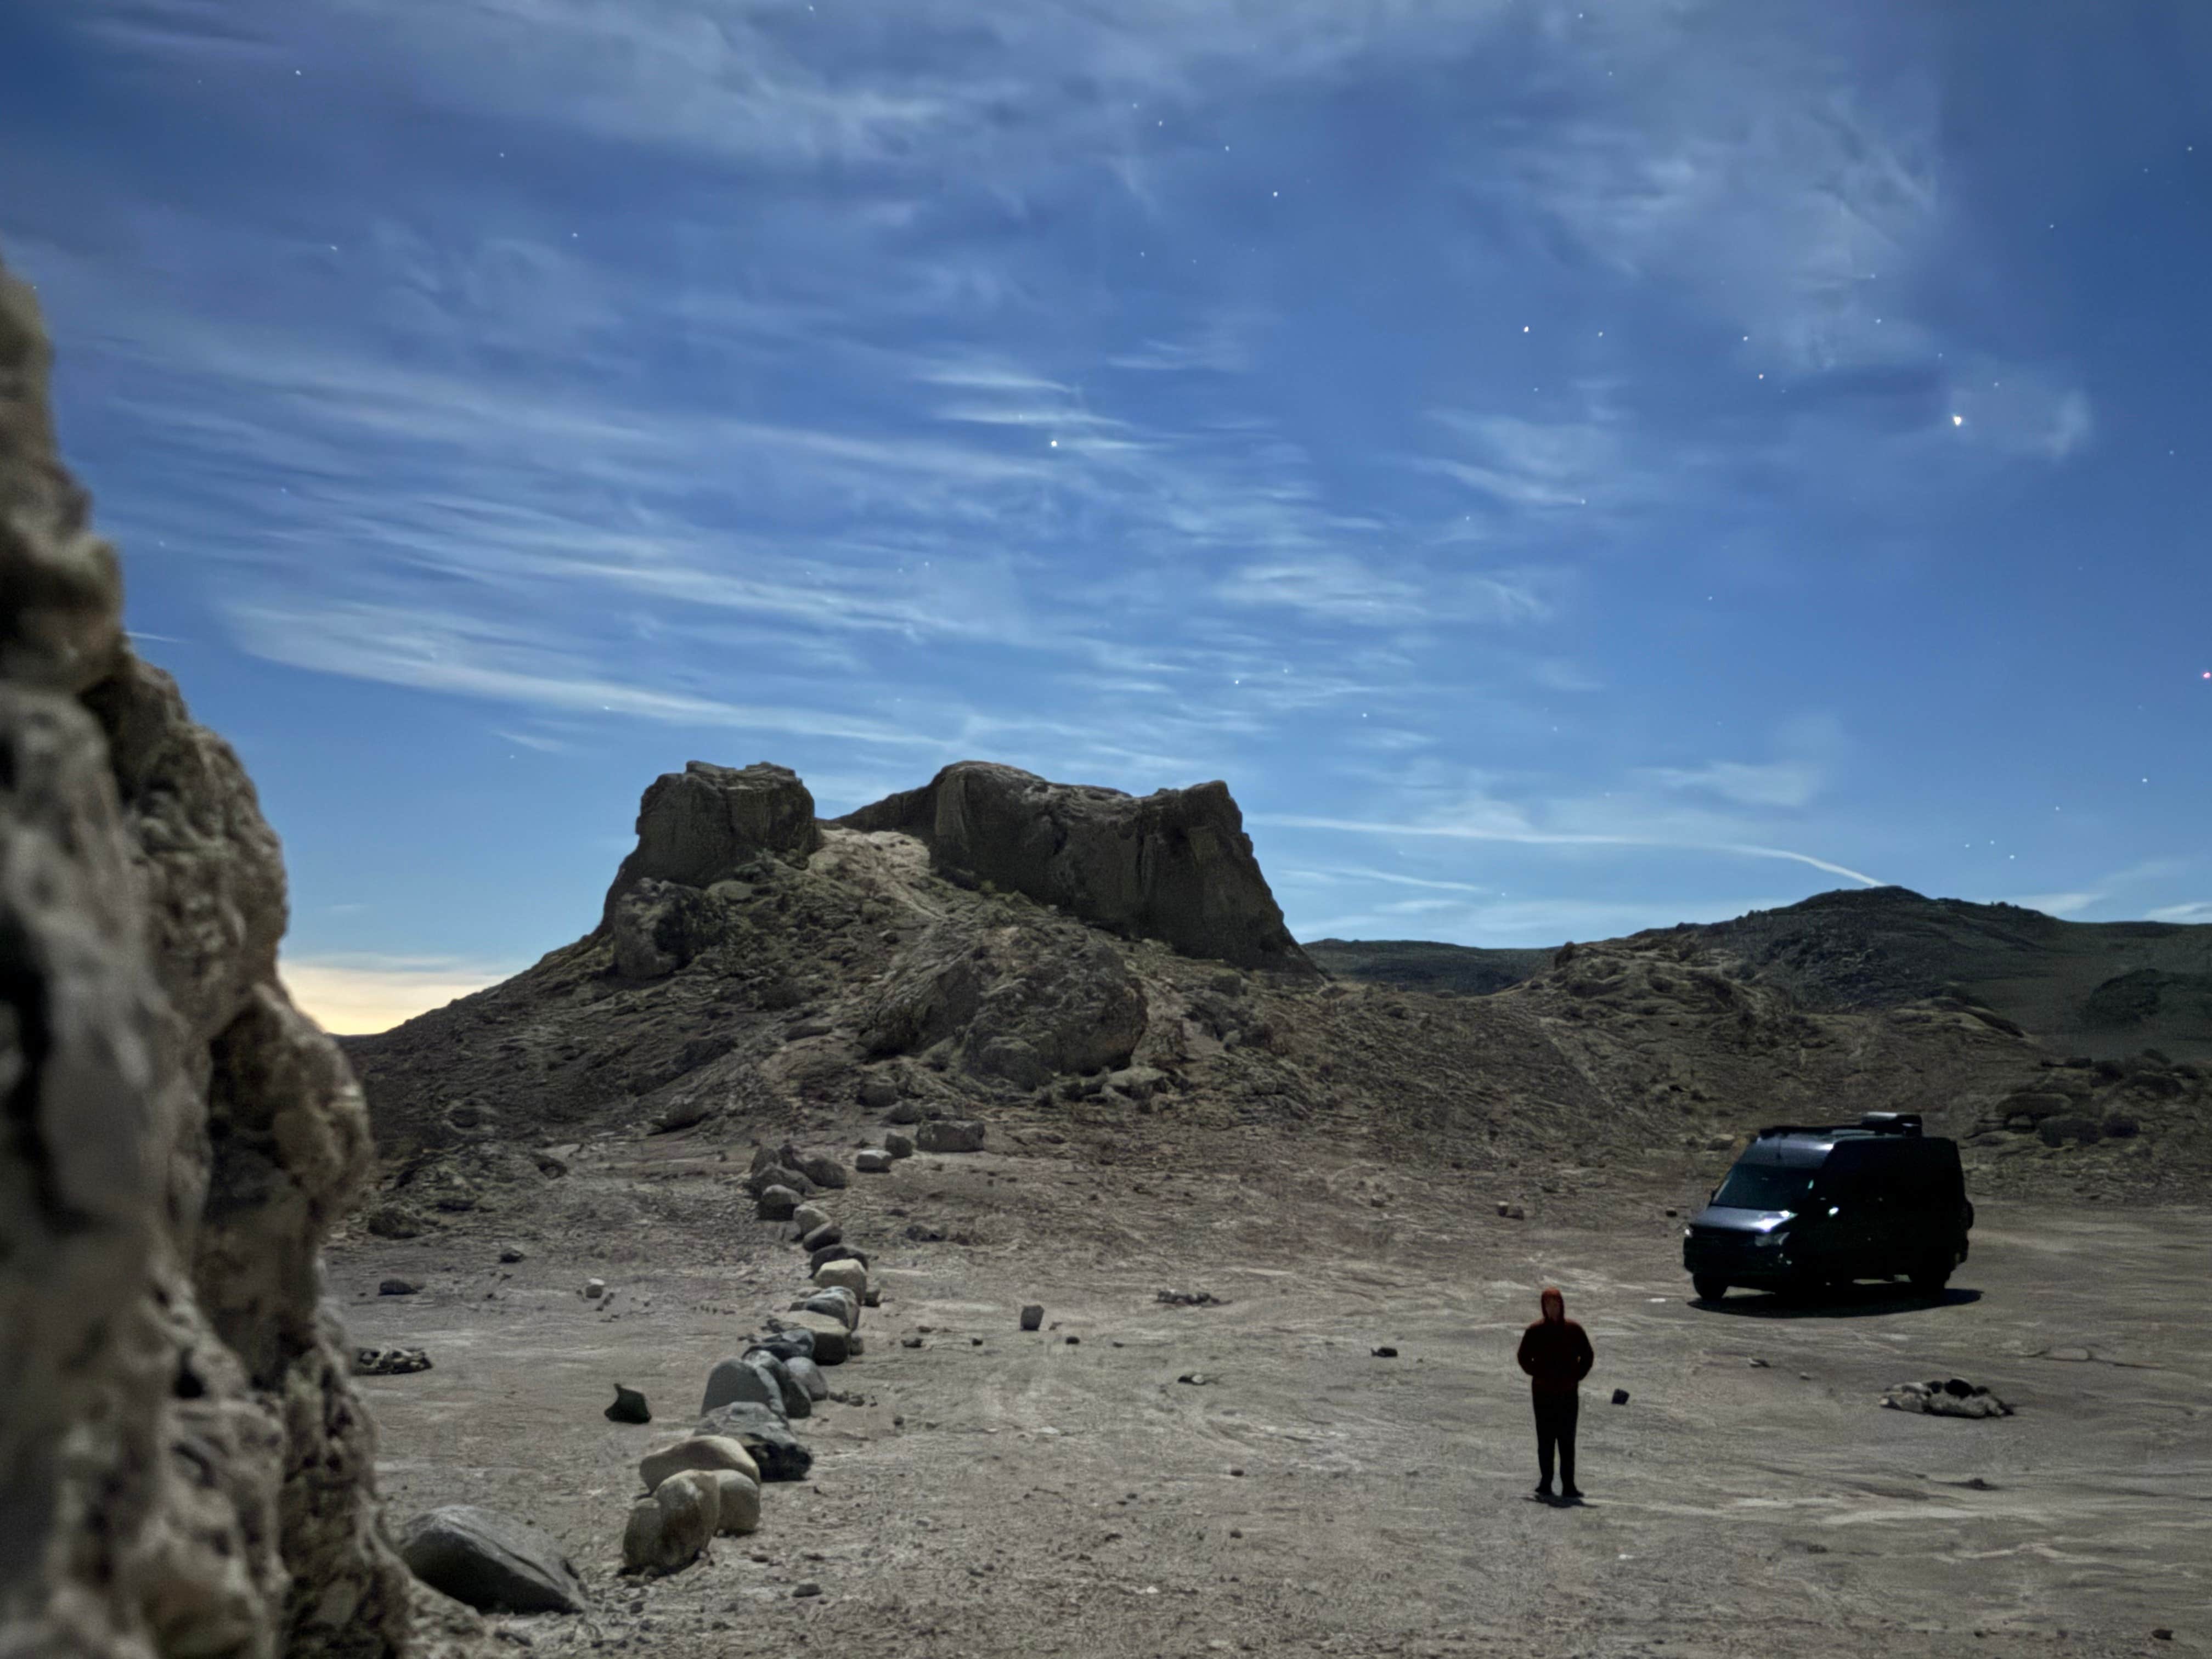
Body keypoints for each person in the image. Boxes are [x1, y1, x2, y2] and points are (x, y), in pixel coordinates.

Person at [1516, 1285, 1594, 1500]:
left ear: (1562, 1306)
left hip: (1568, 1393)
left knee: (1567, 1440)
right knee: (1546, 1439)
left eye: (1556, 1304)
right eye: (1549, 1304)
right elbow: (1523, 1357)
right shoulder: (1535, 1331)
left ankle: (1569, 1485)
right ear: (1543, 1307)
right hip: (1543, 1394)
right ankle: (1546, 1482)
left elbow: (1587, 1355)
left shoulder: (1573, 1330)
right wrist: (1538, 1374)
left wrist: (1575, 1376)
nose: (1553, 1308)